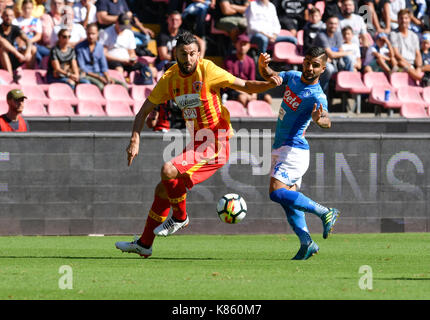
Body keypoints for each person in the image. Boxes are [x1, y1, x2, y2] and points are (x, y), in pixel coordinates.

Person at [115, 31, 282, 258]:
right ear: (176, 54)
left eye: (193, 54)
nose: (189, 59)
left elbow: (245, 85)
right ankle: (145, 243)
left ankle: (180, 217)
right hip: (197, 143)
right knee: (162, 189)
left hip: (216, 143)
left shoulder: (208, 70)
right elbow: (144, 111)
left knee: (168, 170)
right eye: (183, 54)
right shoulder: (169, 78)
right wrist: (135, 138)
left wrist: (268, 84)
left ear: (199, 54)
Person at [257, 46, 340, 260]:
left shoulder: (317, 96)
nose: (310, 68)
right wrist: (264, 67)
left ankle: (324, 212)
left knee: (276, 192)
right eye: (308, 62)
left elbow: (327, 121)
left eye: (315, 65)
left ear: (323, 69)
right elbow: (273, 77)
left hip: (294, 149)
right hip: (282, 147)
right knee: (288, 201)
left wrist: (318, 119)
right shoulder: (293, 77)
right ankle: (307, 243)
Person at [99, 13, 156, 80]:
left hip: (127, 61)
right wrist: (122, 60)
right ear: (116, 22)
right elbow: (104, 54)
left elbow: (132, 52)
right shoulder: (106, 33)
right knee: (119, 69)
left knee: (150, 69)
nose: (123, 29)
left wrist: (132, 59)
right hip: (113, 61)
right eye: (121, 27)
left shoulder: (128, 33)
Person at [223, 33, 272, 106]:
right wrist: (247, 94)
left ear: (249, 46)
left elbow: (252, 80)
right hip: (233, 89)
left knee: (268, 98)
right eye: (240, 44)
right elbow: (231, 83)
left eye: (245, 44)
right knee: (243, 98)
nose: (242, 47)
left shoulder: (250, 61)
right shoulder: (228, 61)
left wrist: (254, 93)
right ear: (236, 45)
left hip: (248, 88)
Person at [76, 23, 126, 90]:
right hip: (88, 75)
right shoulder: (79, 47)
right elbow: (82, 67)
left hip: (100, 74)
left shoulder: (99, 47)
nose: (91, 36)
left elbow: (103, 66)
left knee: (123, 85)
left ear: (97, 34)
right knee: (101, 86)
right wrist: (99, 77)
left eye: (93, 34)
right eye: (89, 34)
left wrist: (107, 77)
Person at [313, 15, 353, 93]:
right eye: (331, 23)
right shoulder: (321, 35)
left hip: (332, 60)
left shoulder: (338, 34)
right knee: (329, 68)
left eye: (335, 24)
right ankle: (321, 92)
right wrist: (347, 52)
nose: (333, 26)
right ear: (326, 24)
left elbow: (339, 51)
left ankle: (346, 88)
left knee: (349, 59)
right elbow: (331, 54)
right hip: (317, 61)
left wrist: (337, 55)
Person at [0, 8, 35, 80]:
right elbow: (3, 42)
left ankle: (30, 76)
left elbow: (28, 40)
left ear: (14, 17)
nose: (8, 18)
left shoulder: (15, 28)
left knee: (33, 49)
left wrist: (27, 52)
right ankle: (11, 77)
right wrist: (17, 54)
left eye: (11, 16)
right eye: (6, 15)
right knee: (3, 49)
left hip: (12, 57)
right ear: (2, 16)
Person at [390, 9, 422, 81]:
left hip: (413, 64)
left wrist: (419, 67)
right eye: (401, 18)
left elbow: (418, 54)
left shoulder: (414, 35)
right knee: (402, 64)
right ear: (398, 20)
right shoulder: (393, 34)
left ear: (410, 20)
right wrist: (408, 64)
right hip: (401, 65)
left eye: (406, 18)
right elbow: (396, 53)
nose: (404, 20)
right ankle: (420, 79)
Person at [14, 0, 45, 69]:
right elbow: (15, 35)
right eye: (25, 8)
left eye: (29, 8)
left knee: (42, 51)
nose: (27, 10)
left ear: (32, 9)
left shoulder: (36, 21)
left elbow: (38, 36)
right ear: (22, 8)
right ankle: (29, 69)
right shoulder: (16, 21)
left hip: (32, 43)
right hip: (20, 44)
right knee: (32, 49)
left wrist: (29, 41)